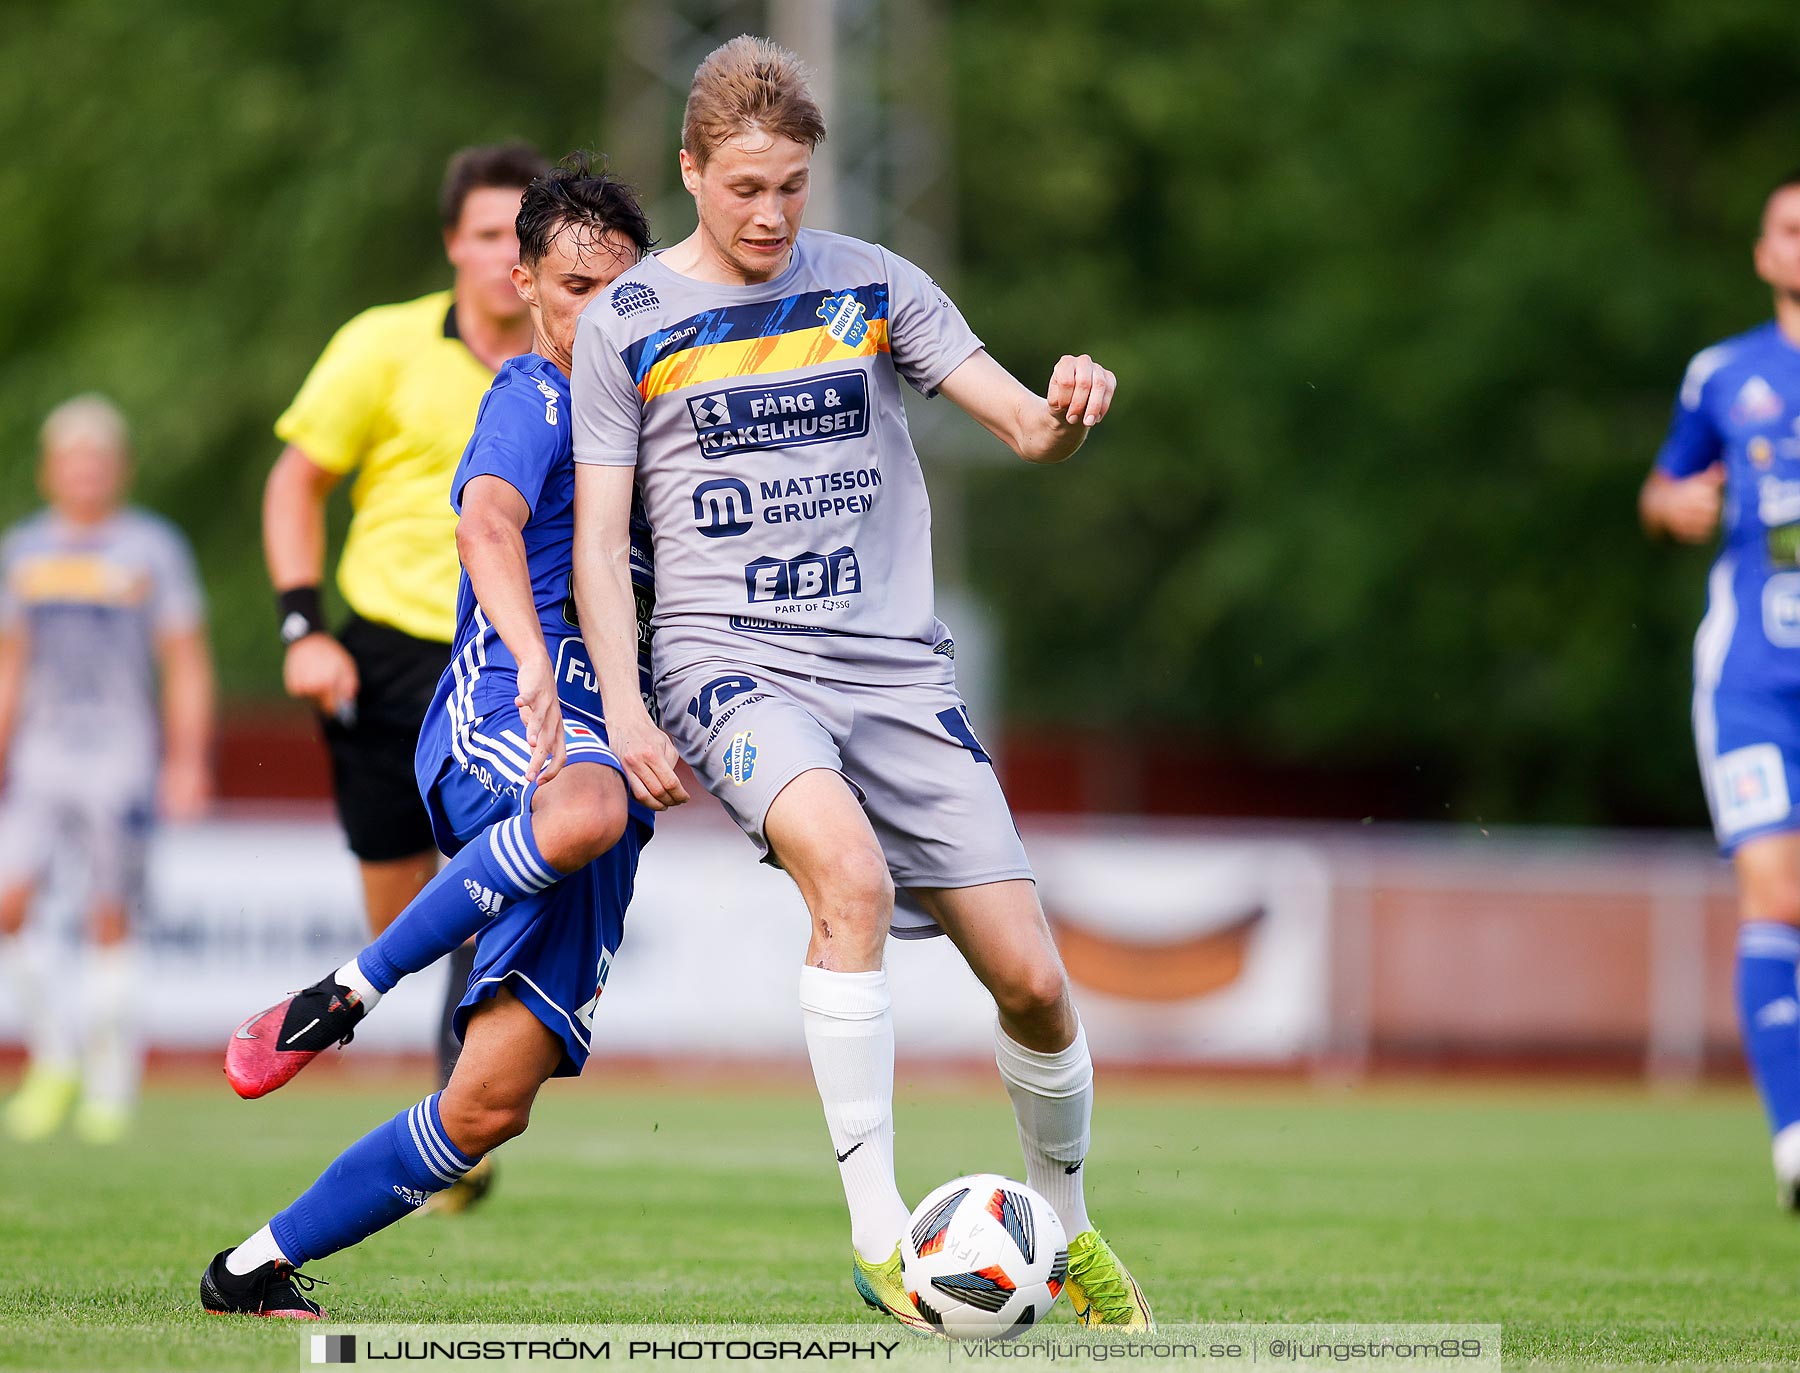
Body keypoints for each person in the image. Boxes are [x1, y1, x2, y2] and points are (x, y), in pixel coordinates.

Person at [569, 36, 1152, 1332]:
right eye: (743, 189)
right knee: (853, 879)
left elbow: (1020, 425)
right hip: (729, 660)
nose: (771, 214)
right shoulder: (628, 327)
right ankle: (882, 1238)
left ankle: (1065, 1230)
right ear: (690, 172)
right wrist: (620, 706)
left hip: (894, 666)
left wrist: (1068, 405)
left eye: (791, 186)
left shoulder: (877, 285)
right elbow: (601, 544)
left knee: (1037, 986)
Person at [202, 161, 657, 1318]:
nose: (599, 308)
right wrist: (537, 663)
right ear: (527, 284)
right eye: (574, 284)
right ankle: (342, 994)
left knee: (488, 1103)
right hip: (506, 701)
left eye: (621, 285)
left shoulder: (665, 418)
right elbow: (486, 522)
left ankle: (250, 1267)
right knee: (584, 803)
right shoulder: (531, 391)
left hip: (615, 752)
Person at [263, 143, 548, 1203]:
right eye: (484, 235)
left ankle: (451, 1113)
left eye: (522, 236)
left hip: (503, 653)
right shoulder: (382, 346)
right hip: (381, 657)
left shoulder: (583, 360)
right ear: (452, 245)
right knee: (413, 917)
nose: (502, 256)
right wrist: (304, 630)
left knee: (492, 887)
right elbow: (296, 483)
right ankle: (440, 1097)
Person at [1642, 170, 1800, 1211]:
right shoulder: (1723, 374)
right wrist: (1675, 508)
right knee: (1776, 894)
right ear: (1762, 253)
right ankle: (1796, 1139)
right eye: (1791, 228)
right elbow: (1664, 486)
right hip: (1751, 685)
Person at [0, 396, 213, 1145]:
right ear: (49, 469)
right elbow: (10, 662)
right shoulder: (24, 550)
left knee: (109, 913)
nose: (85, 473)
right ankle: (54, 1056)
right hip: (42, 751)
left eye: (98, 459)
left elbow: (183, 659)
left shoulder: (151, 548)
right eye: (71, 460)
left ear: (117, 468)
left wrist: (187, 758)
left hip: (119, 750)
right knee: (10, 901)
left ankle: (109, 1080)